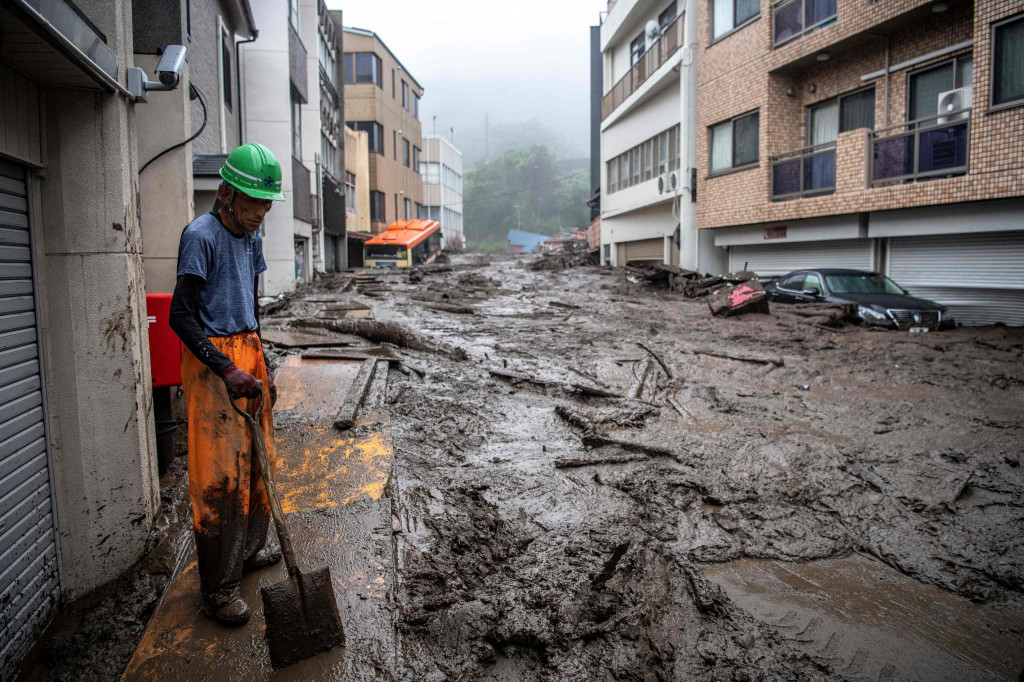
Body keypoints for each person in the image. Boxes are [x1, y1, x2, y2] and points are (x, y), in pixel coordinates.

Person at [169, 143, 284, 625]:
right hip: (212, 361)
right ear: (228, 193)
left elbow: (250, 304)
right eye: (254, 202)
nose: (261, 213)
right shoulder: (201, 235)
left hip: (247, 351)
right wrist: (225, 367)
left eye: (267, 204)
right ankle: (218, 588)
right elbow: (180, 315)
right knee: (220, 478)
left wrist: (262, 361)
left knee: (260, 462)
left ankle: (250, 549)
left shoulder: (251, 237)